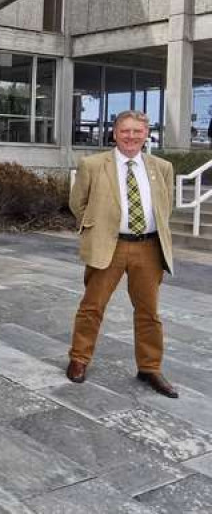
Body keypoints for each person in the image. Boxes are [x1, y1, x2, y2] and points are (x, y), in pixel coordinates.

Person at [66, 110, 178, 398]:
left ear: (146, 134)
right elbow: (78, 203)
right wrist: (95, 230)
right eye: (125, 131)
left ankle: (150, 367)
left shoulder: (162, 167)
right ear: (114, 133)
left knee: (149, 312)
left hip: (149, 248)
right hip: (109, 247)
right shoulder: (92, 164)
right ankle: (79, 359)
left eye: (137, 131)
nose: (131, 136)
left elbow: (166, 206)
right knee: (92, 307)